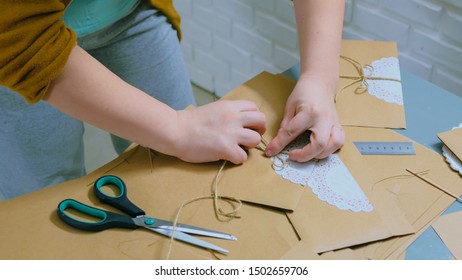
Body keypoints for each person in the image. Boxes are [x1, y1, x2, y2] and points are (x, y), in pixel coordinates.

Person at [0, 0, 344, 200]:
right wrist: (178, 129)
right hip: (14, 47)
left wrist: (319, 77)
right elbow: (16, 31)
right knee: (42, 195)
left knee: (185, 177)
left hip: (129, 13)